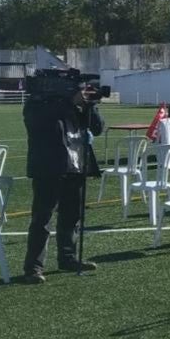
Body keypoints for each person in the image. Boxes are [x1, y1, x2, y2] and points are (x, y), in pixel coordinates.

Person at [21, 83, 105, 282]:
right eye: (79, 89)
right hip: (49, 168)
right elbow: (39, 123)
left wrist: (89, 105)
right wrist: (70, 101)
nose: (82, 93)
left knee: (72, 215)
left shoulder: (78, 106)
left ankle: (67, 258)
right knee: (42, 218)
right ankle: (33, 267)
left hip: (76, 167)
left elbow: (98, 128)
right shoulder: (38, 104)